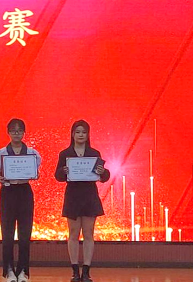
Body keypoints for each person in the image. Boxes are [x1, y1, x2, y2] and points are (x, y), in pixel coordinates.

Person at [55, 120, 110, 282]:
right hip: (73, 196)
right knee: (73, 233)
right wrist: (63, 171)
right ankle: (74, 271)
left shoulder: (94, 153)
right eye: (78, 132)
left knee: (88, 233)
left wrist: (102, 171)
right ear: (72, 134)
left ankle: (86, 271)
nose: (81, 135)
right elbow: (58, 176)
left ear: (88, 135)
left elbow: (104, 177)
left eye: (84, 132)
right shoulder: (65, 154)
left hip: (89, 196)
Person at [0, 118, 41, 282]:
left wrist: (35, 175)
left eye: (19, 130)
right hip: (8, 192)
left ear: (24, 133)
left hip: (25, 192)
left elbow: (36, 173)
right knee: (7, 234)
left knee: (25, 234)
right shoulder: (0, 153)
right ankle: (9, 271)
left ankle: (23, 271)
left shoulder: (33, 153)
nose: (16, 133)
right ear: (8, 132)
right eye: (13, 130)